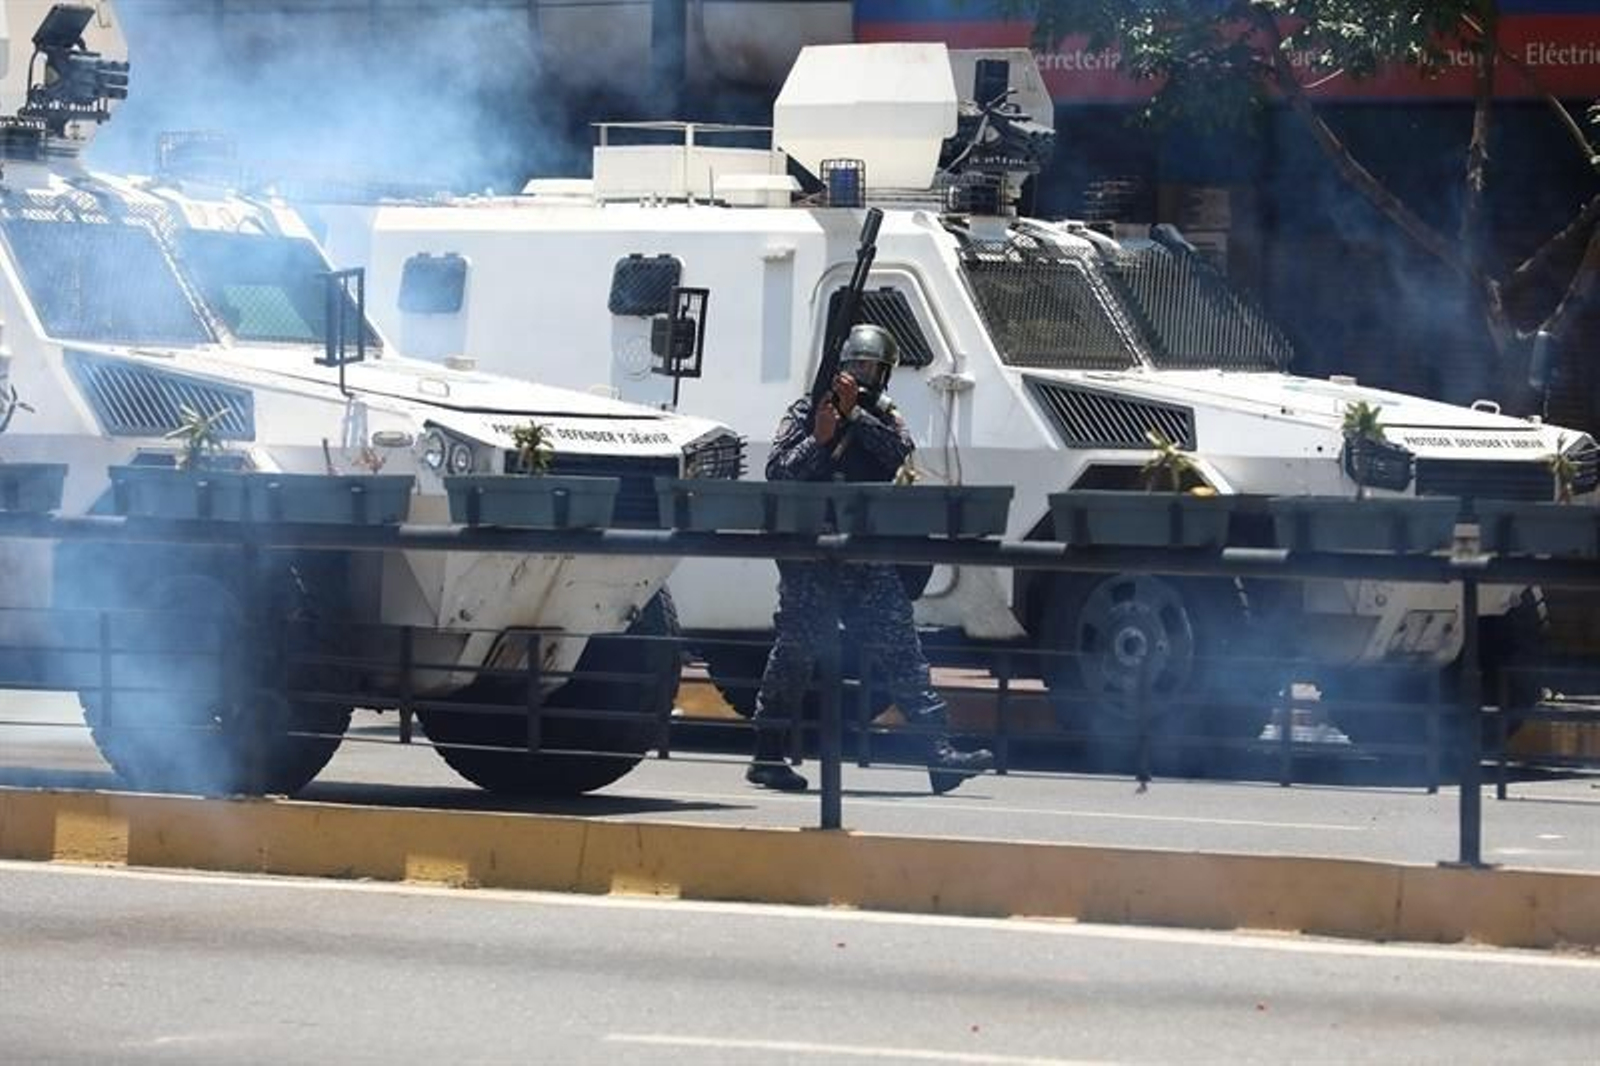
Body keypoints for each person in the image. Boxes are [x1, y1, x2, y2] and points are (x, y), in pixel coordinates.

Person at [746, 323, 995, 795]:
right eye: (854, 366)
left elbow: (899, 453)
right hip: (812, 555)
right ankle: (767, 754)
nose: (861, 376)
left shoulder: (884, 416)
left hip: (865, 553)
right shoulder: (805, 411)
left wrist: (853, 418)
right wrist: (820, 436)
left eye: (870, 369)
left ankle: (938, 755)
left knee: (903, 650)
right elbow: (779, 471)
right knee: (795, 653)